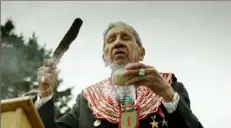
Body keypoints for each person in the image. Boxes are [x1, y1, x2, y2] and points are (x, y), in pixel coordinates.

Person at [35, 21, 203, 128]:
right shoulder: (87, 100)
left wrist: (166, 93)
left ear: (141, 52)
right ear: (105, 58)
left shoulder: (169, 85)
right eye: (111, 40)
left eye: (125, 37)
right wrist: (44, 95)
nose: (118, 43)